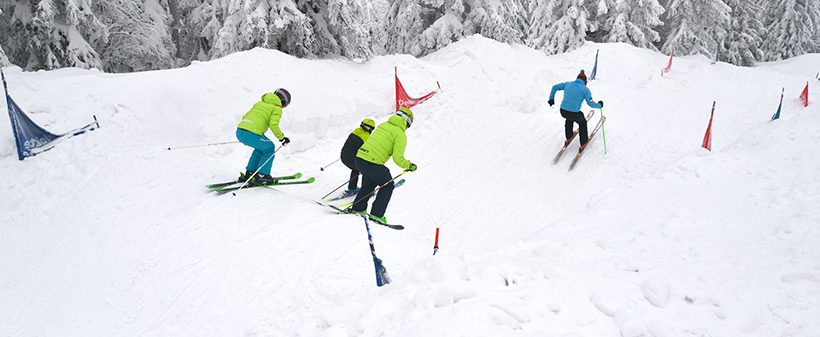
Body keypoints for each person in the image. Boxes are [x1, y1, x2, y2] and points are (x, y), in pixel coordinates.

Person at [347, 108, 418, 224]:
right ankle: (377, 215)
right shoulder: (400, 134)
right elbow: (398, 158)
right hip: (372, 162)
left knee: (370, 182)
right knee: (388, 185)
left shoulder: (383, 125)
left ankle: (358, 208)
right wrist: (409, 165)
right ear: (407, 123)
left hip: (359, 158)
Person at [235, 88, 291, 186]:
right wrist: (282, 138)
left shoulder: (259, 103)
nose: (283, 107)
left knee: (261, 148)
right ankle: (262, 175)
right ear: (282, 101)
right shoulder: (276, 108)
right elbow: (274, 125)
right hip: (252, 134)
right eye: (285, 105)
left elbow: (245, 117)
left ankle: (250, 172)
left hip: (240, 131)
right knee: (269, 148)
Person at [548, 70, 603, 151]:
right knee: (582, 122)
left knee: (569, 117)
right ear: (585, 82)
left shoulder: (568, 84)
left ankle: (569, 137)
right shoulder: (585, 90)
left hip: (563, 111)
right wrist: (599, 105)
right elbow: (590, 103)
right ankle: (583, 142)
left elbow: (554, 87)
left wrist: (551, 99)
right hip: (574, 113)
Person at [340, 118, 377, 197]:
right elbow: (368, 152)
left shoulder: (355, 131)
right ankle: (366, 191)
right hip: (352, 160)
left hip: (344, 157)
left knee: (356, 169)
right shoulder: (366, 137)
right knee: (366, 170)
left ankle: (352, 188)